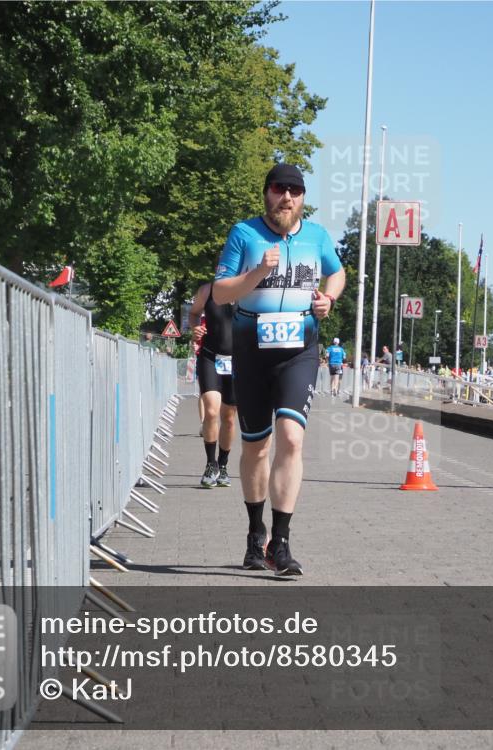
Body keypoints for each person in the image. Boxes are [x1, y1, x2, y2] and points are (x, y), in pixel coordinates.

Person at [213, 164, 345, 575]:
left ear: (302, 197)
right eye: (278, 189)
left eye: (294, 191)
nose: (286, 197)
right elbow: (220, 292)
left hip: (298, 352)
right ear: (267, 194)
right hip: (251, 350)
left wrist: (329, 300)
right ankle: (256, 534)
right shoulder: (245, 233)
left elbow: (336, 273)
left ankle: (281, 544)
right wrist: (257, 273)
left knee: (291, 438)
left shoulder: (317, 236)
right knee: (257, 447)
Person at [188, 282, 236, 488]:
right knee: (211, 411)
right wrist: (195, 328)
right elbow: (193, 314)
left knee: (229, 418)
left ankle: (223, 465)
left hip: (238, 361)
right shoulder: (207, 290)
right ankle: (211, 463)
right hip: (210, 357)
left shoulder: (249, 290)